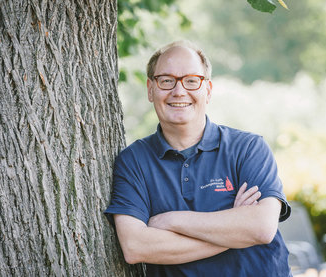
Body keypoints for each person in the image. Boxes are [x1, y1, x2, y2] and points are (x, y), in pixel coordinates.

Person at [105, 40, 292, 276]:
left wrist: (170, 221)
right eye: (166, 81)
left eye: (192, 81)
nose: (179, 91)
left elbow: (262, 229)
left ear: (208, 90)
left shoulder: (248, 148)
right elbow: (135, 247)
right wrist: (235, 231)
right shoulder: (133, 161)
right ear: (150, 89)